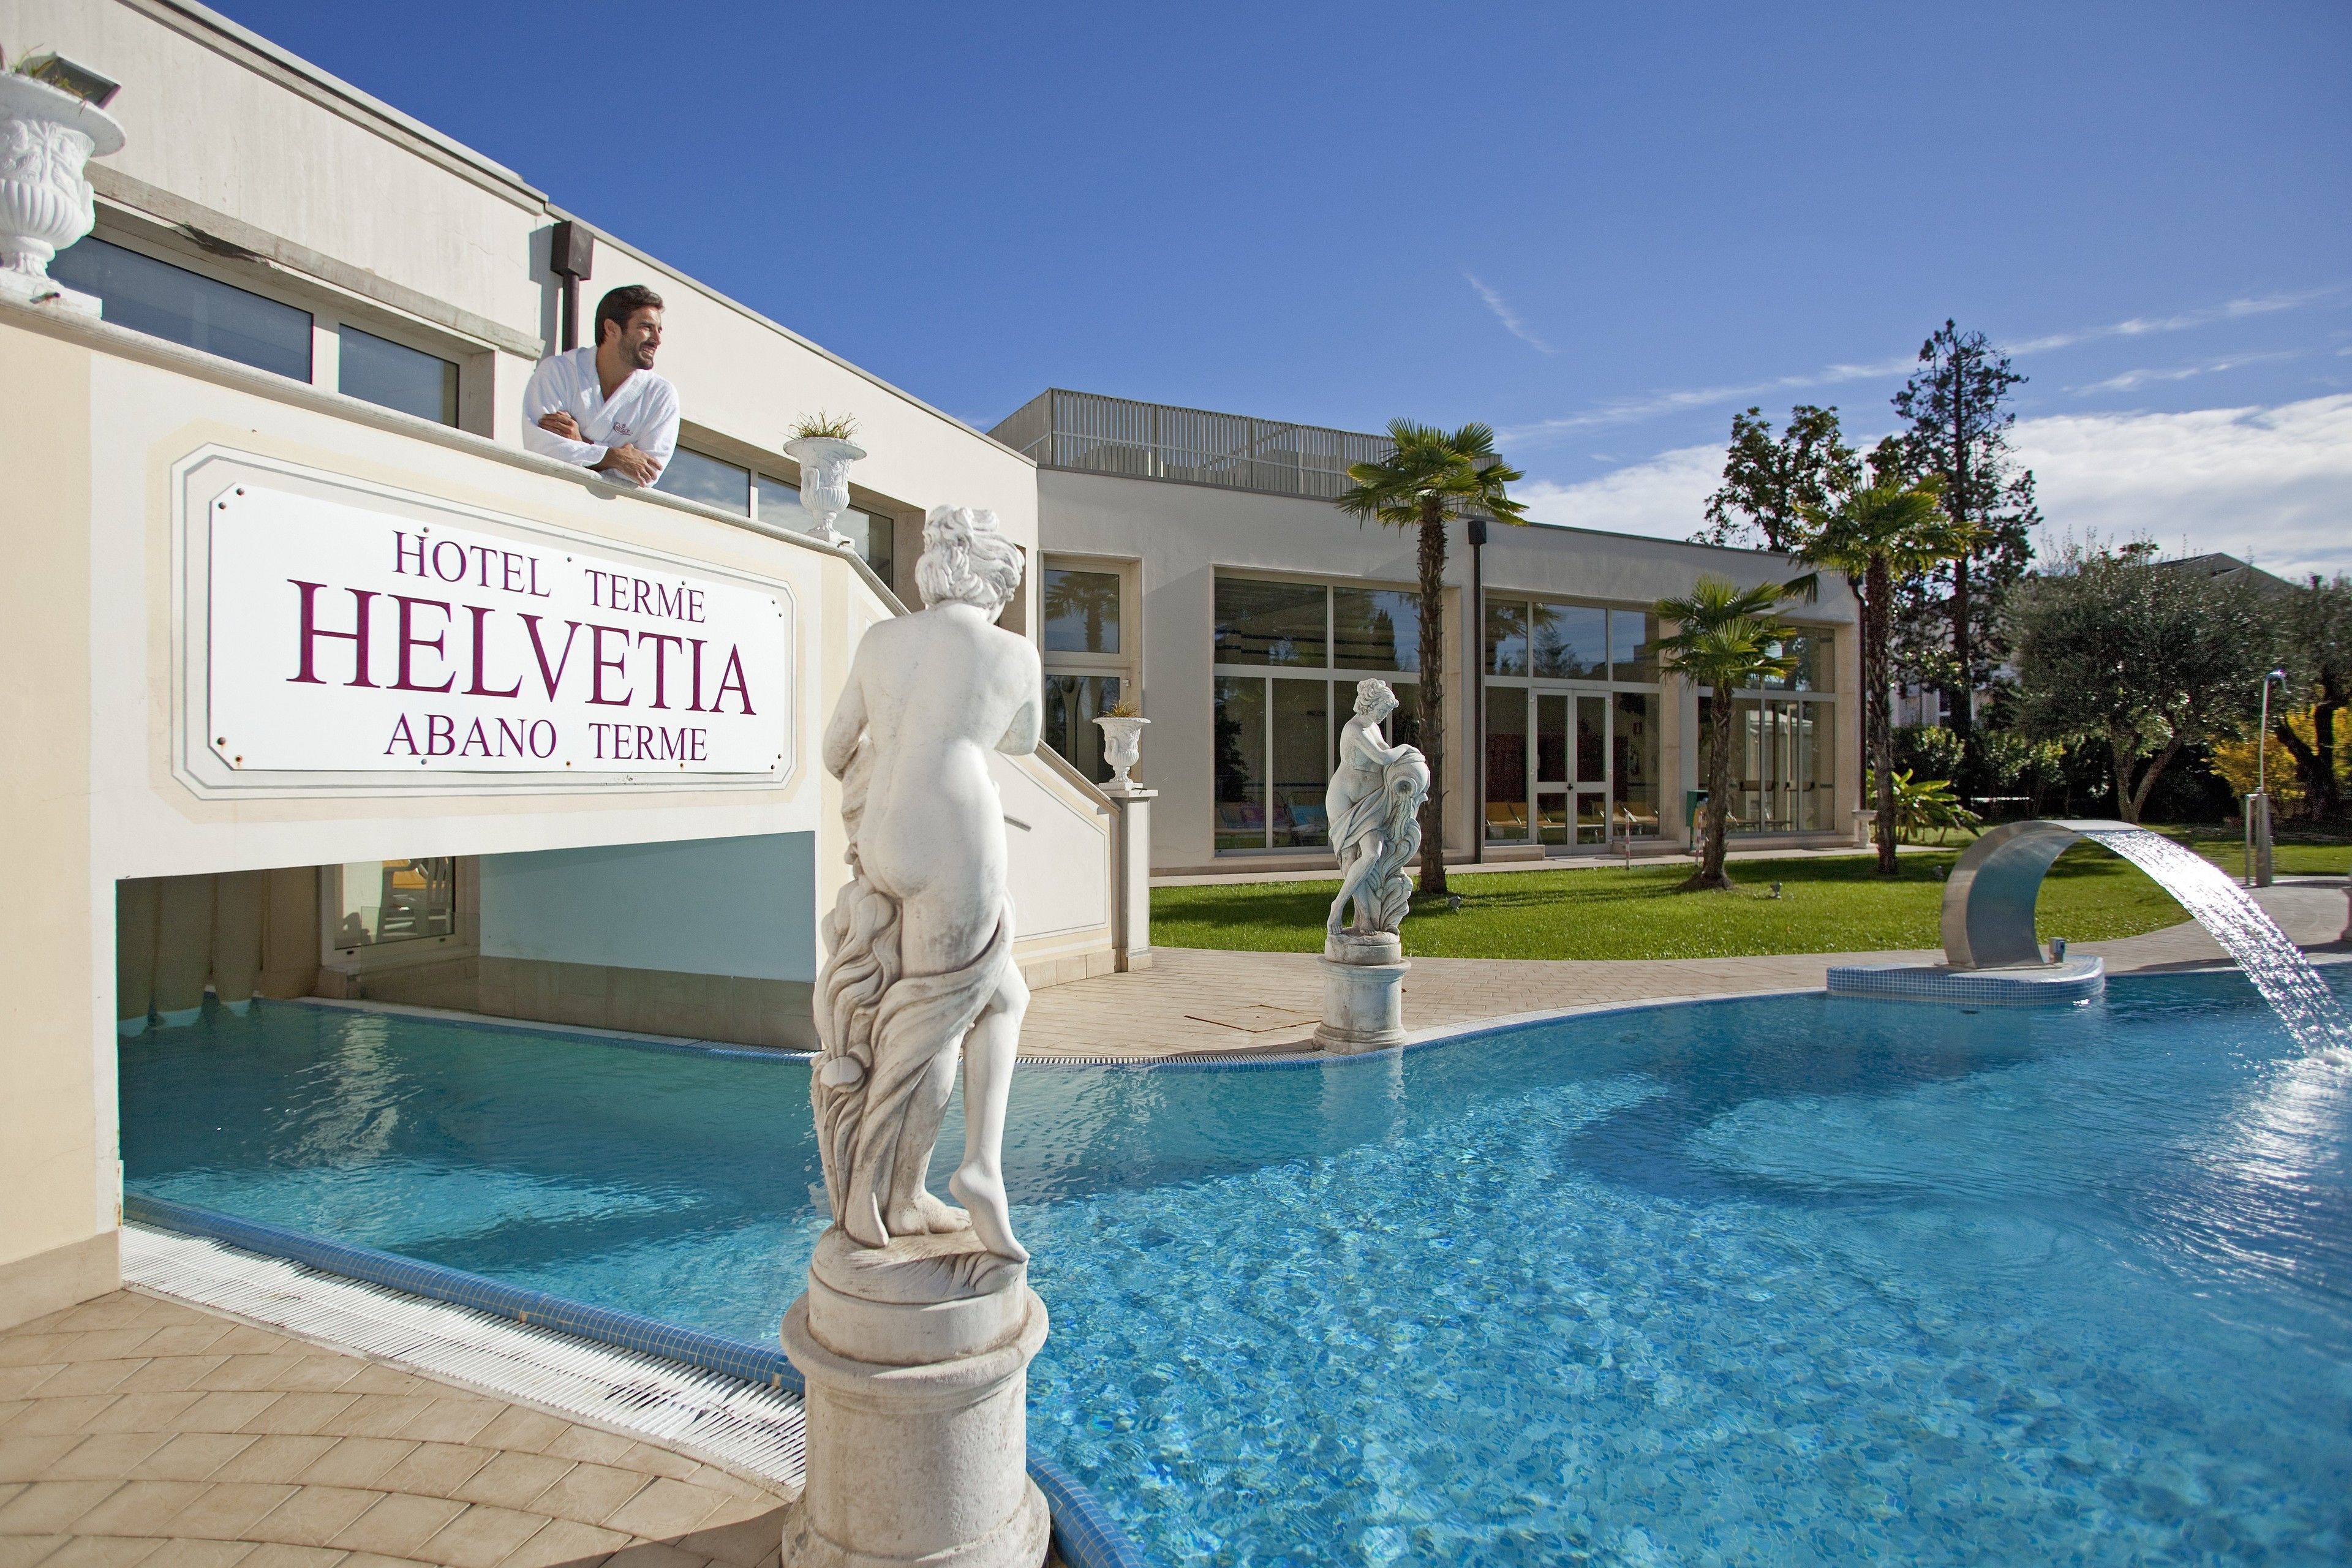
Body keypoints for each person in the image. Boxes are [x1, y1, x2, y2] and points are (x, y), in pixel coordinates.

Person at [810, 507, 1039, 1265]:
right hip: (957, 833)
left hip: (884, 836)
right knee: (945, 1015)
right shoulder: (1013, 652)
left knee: (993, 995)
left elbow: (836, 746)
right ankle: (938, 1180)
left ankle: (908, 1194)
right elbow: (1023, 738)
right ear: (995, 577)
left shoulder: (881, 639)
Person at [521, 284, 678, 487]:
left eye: (659, 330)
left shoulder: (660, 395)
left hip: (607, 513)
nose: (657, 340)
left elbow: (645, 475)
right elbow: (541, 447)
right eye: (646, 327)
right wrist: (613, 457)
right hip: (549, 498)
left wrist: (583, 444)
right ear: (611, 328)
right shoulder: (558, 372)